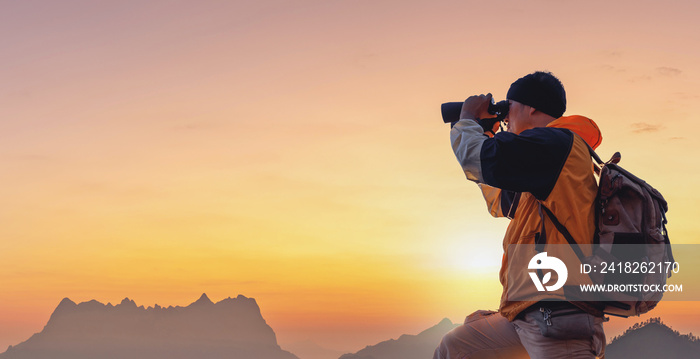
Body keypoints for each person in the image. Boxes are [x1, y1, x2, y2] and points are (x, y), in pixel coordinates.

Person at [434, 71, 606, 359]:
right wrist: (486, 132)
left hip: (559, 315)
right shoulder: (544, 158)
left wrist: (467, 118)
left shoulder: (556, 144)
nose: (506, 118)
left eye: (509, 107)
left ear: (532, 108)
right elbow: (502, 201)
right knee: (456, 348)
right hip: (527, 313)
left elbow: (477, 157)